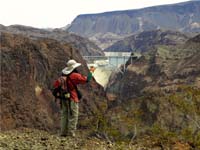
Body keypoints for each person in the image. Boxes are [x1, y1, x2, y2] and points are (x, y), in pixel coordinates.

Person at [53, 59, 95, 137]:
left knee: (64, 115)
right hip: (72, 98)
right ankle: (71, 133)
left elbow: (55, 85)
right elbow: (87, 79)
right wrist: (91, 71)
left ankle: (63, 132)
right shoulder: (74, 76)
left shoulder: (62, 76)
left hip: (63, 99)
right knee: (73, 115)